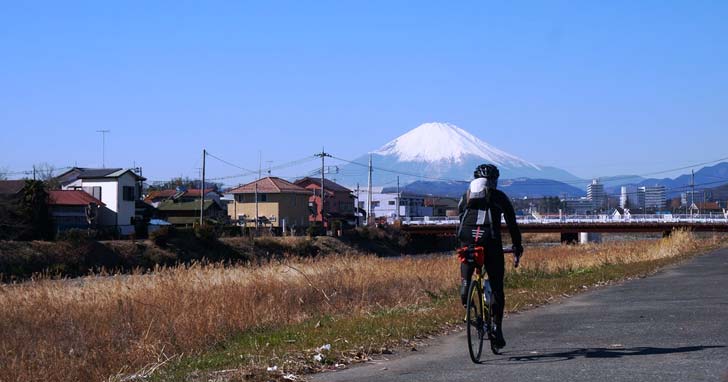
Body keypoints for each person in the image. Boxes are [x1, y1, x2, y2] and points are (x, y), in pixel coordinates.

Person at [457, 163, 523, 349]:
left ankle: (465, 285)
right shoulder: (499, 197)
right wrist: (517, 246)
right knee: (496, 287)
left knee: (468, 260)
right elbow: (512, 225)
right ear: (494, 180)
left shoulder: (465, 196)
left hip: (468, 242)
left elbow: (460, 221)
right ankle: (497, 329)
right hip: (491, 243)